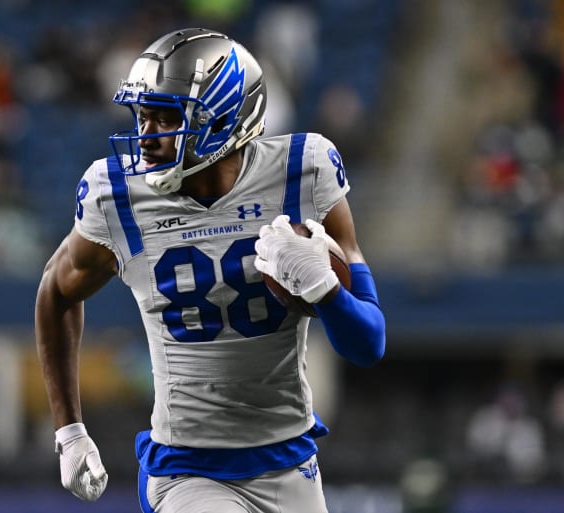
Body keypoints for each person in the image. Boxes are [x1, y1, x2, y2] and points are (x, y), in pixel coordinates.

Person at [34, 27, 386, 513]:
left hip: (289, 463)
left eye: (165, 120)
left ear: (224, 121)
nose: (146, 137)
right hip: (187, 470)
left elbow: (368, 344)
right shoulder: (116, 197)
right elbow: (56, 292)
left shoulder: (303, 172)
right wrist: (69, 430)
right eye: (142, 117)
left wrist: (326, 289)